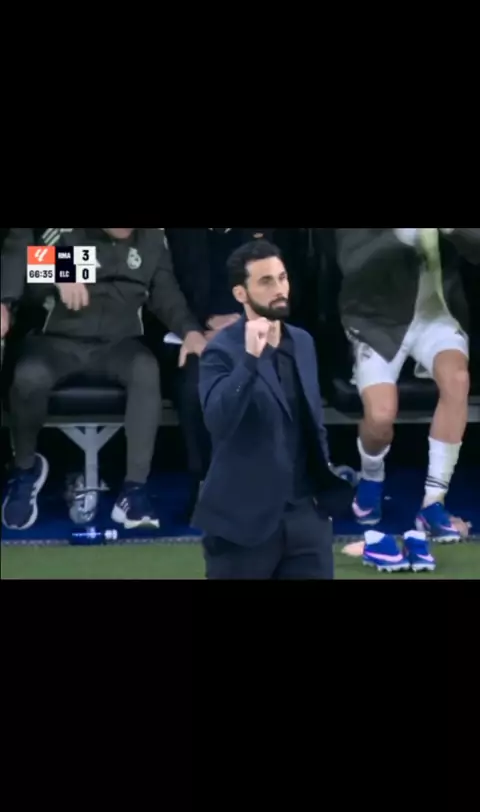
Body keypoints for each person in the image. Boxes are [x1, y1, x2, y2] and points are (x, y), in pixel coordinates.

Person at [1, 228, 206, 531]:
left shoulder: (151, 239)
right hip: (58, 343)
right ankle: (25, 469)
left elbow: (165, 293)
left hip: (118, 344)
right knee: (29, 377)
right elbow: (28, 272)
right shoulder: (71, 234)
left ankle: (134, 490)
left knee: (145, 369)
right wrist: (61, 273)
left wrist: (189, 330)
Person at [192, 239, 353, 580]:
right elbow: (218, 421)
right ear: (240, 293)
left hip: (306, 517)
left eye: (282, 278)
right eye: (266, 281)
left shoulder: (303, 342)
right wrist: (250, 360)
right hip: (244, 523)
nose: (279, 289)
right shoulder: (221, 351)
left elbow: (313, 423)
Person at [335, 227, 480, 569]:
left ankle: (433, 503)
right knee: (381, 417)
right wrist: (401, 237)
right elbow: (352, 260)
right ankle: (371, 477)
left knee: (457, 380)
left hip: (438, 317)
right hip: (375, 320)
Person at [167, 228, 274, 512]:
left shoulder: (143, 240)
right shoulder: (74, 239)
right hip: (68, 344)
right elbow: (164, 292)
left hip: (250, 332)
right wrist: (194, 328)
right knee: (194, 383)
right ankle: (205, 481)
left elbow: (287, 285)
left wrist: (244, 322)